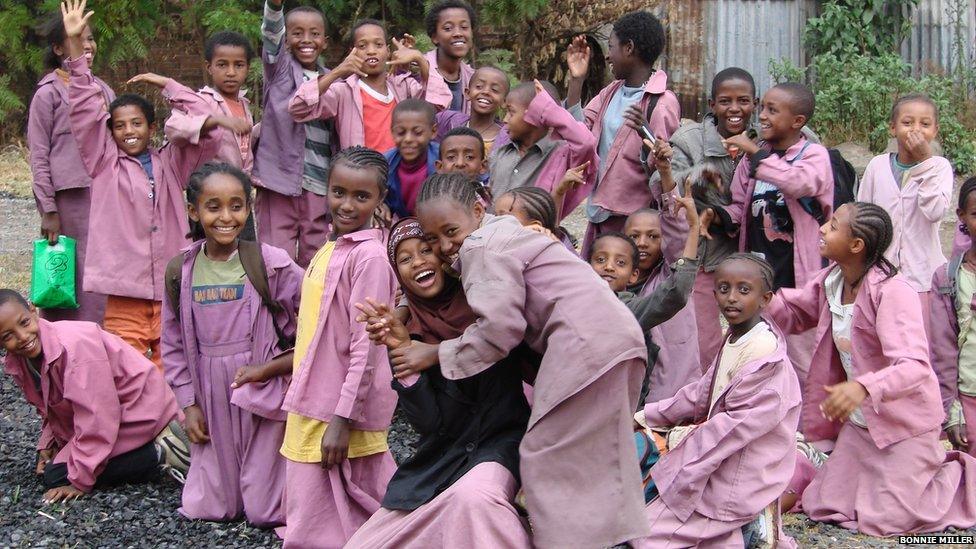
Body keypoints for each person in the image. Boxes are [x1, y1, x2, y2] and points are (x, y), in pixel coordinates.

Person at [394, 173, 650, 547]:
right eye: (434, 239)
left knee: (542, 451)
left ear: (478, 210)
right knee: (607, 446)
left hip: (581, 344)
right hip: (622, 338)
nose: (447, 246)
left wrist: (433, 353)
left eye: (450, 231)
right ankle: (626, 538)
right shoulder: (506, 232)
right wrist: (404, 305)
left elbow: (499, 330)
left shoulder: (479, 246)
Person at [768, 202, 976, 536]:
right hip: (861, 427)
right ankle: (836, 467)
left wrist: (863, 387)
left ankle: (959, 475)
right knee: (825, 504)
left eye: (833, 225)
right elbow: (795, 313)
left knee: (887, 521)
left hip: (902, 426)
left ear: (856, 245)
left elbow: (914, 366)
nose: (822, 229)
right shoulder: (832, 280)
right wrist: (760, 297)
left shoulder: (893, 291)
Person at [346, 217, 533, 548]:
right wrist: (403, 355)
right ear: (399, 276)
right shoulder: (410, 330)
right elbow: (431, 424)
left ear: (446, 258)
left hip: (502, 445)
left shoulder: (485, 304)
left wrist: (435, 354)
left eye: (426, 250)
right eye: (404, 259)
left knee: (473, 500)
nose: (418, 261)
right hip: (444, 458)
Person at [63, 0, 231, 369]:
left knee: (174, 363)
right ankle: (138, 426)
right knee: (127, 366)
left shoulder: (173, 162)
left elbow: (207, 124)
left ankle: (169, 425)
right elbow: (84, 109)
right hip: (125, 290)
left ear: (152, 128)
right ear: (109, 132)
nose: (128, 131)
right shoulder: (103, 161)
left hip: (171, 283)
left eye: (137, 123)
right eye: (120, 125)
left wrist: (168, 84)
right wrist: (76, 49)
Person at [160, 163, 303, 526]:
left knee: (265, 509)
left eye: (236, 206)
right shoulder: (181, 270)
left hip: (260, 382)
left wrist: (285, 364)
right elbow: (173, 342)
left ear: (249, 207)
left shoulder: (269, 263)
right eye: (213, 207)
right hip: (209, 387)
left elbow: (315, 310)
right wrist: (188, 404)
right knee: (212, 506)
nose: (226, 217)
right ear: (193, 211)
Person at [634, 253, 800, 548]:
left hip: (740, 468)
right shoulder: (736, 336)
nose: (732, 298)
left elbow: (735, 427)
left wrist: (679, 439)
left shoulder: (765, 356)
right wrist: (649, 416)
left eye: (744, 290)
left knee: (649, 535)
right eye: (724, 289)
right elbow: (702, 391)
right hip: (720, 450)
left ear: (765, 298)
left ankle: (748, 529)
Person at [278, 147, 398, 548]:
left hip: (337, 407)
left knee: (361, 504)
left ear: (380, 199)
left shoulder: (370, 258)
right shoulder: (333, 247)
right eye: (338, 192)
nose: (347, 205)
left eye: (361, 197)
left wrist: (343, 417)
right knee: (316, 505)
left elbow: (367, 346)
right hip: (312, 397)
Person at [0, 289, 187, 505]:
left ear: (33, 312)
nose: (22, 337)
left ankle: (162, 452)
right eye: (8, 336)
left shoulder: (74, 348)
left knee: (58, 475)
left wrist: (80, 481)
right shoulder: (19, 362)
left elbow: (99, 418)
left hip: (140, 412)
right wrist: (48, 444)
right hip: (111, 415)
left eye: (24, 323)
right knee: (50, 465)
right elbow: (48, 406)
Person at [709, 82, 833, 387]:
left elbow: (798, 183)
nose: (762, 116)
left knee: (800, 359)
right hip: (759, 277)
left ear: (797, 121)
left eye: (772, 110)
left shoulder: (813, 155)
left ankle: (802, 430)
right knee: (757, 349)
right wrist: (714, 214)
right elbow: (740, 207)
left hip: (796, 276)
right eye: (763, 107)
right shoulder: (757, 157)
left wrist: (754, 155)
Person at [660, 67, 757, 366]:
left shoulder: (765, 139)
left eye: (743, 100)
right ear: (712, 104)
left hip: (752, 254)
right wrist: (699, 175)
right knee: (704, 341)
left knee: (754, 336)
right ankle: (705, 403)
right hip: (704, 254)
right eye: (725, 101)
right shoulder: (689, 140)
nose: (735, 109)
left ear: (755, 103)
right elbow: (664, 188)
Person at [564, 11, 681, 255]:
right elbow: (578, 134)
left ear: (629, 48)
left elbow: (664, 169)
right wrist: (577, 81)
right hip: (601, 213)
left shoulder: (661, 102)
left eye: (612, 47)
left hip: (633, 222)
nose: (608, 55)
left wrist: (645, 134)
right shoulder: (612, 92)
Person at [27, 10, 114, 324]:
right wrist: (48, 209)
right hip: (69, 202)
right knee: (67, 270)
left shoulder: (103, 91)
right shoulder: (47, 94)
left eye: (89, 38)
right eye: (77, 39)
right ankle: (63, 345)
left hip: (104, 196)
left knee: (100, 271)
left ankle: (100, 340)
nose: (87, 45)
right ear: (58, 49)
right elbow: (38, 155)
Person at [589, 180, 700, 407]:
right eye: (634, 236)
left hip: (669, 390)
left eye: (653, 236)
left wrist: (667, 177)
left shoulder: (668, 276)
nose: (642, 243)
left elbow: (677, 282)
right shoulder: (598, 296)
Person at [857, 93, 953, 329]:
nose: (916, 130)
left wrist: (924, 161)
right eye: (907, 123)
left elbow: (934, 212)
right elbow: (862, 218)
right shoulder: (877, 166)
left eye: (925, 124)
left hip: (923, 279)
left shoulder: (939, 168)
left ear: (935, 130)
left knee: (920, 343)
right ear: (893, 128)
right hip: (880, 277)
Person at [288, 18, 450, 153]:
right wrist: (337, 72)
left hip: (399, 175)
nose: (371, 51)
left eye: (378, 45)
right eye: (362, 46)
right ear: (352, 52)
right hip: (362, 178)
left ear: (388, 51)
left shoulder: (403, 87)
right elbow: (298, 108)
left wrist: (419, 59)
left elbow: (440, 103)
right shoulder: (343, 92)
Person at [253, 0, 332, 267]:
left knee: (317, 258)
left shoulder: (334, 79)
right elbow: (271, 33)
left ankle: (308, 310)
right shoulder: (280, 69)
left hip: (319, 183)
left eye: (314, 33)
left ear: (325, 41)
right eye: (297, 33)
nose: (306, 40)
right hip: (280, 181)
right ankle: (277, 309)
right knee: (275, 257)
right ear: (287, 40)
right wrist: (275, 8)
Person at [490, 80, 597, 221]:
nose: (504, 119)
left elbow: (586, 143)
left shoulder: (560, 155)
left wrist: (548, 110)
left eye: (511, 112)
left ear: (534, 115)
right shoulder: (501, 153)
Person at [164, 31, 256, 174]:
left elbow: (244, 150)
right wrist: (215, 121)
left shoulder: (243, 104)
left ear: (247, 68)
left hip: (238, 188)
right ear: (209, 67)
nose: (231, 72)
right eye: (222, 65)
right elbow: (173, 128)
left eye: (238, 65)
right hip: (209, 188)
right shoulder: (202, 101)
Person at [930, 177, 976, 457]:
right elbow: (943, 352)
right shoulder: (949, 279)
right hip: (970, 400)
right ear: (961, 217)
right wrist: (952, 409)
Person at [435, 66, 510, 155]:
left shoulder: (507, 139)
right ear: (467, 93)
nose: (486, 92)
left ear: (504, 102)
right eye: (479, 86)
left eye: (494, 90)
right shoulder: (448, 121)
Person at [383, 99, 439, 218]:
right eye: (401, 132)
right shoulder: (385, 163)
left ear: (433, 131)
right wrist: (380, 205)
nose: (408, 139)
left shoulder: (443, 159)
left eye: (417, 133)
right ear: (392, 132)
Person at [424, 0, 476, 113]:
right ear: (434, 37)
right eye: (448, 28)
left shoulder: (472, 78)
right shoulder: (418, 71)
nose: (458, 33)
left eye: (464, 27)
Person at [494, 186, 575, 253]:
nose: (494, 222)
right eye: (495, 216)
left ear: (535, 228)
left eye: (503, 218)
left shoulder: (552, 257)